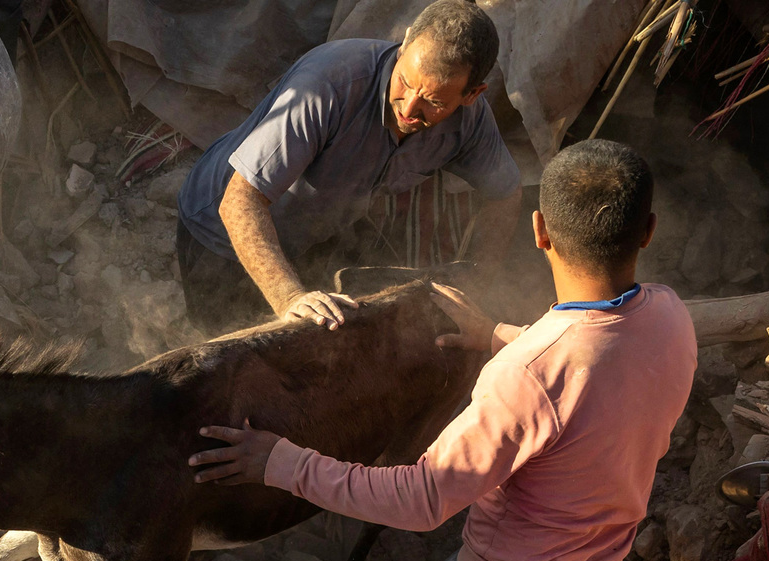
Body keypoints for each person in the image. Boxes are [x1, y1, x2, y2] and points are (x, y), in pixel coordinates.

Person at [186, 139, 698, 561]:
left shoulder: (526, 375)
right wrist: (501, 334)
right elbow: (594, 359)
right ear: (650, 230)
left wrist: (281, 462)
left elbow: (424, 499)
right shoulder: (669, 313)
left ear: (539, 231)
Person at [176, 0, 523, 336]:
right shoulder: (329, 84)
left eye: (433, 102)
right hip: (220, 232)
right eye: (405, 81)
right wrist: (291, 298)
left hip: (315, 234)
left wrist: (477, 280)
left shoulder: (471, 121)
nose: (410, 107)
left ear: (472, 94)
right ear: (403, 47)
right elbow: (239, 201)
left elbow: (505, 193)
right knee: (230, 358)